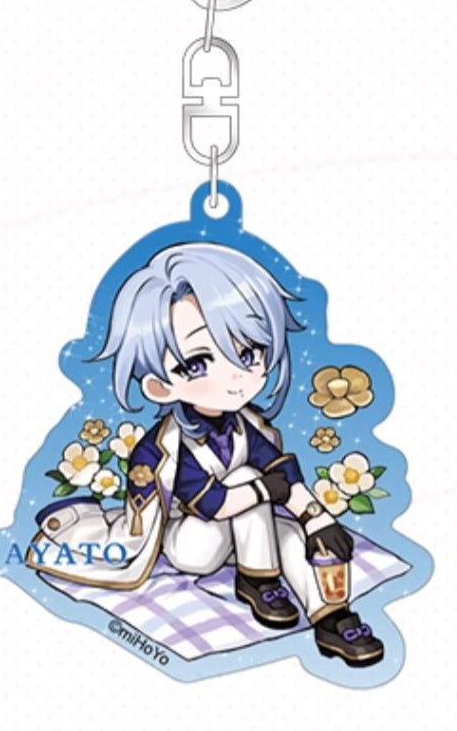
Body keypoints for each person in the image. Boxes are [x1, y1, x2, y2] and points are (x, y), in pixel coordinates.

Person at [36, 242, 383, 667]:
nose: (235, 375)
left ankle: (332, 619)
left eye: (248, 353)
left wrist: (317, 519)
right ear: (160, 386)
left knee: (294, 537)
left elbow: (280, 473)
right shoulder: (165, 446)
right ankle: (258, 581)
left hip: (239, 529)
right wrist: (269, 491)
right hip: (192, 541)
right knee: (245, 481)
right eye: (198, 363)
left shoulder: (246, 425)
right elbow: (216, 502)